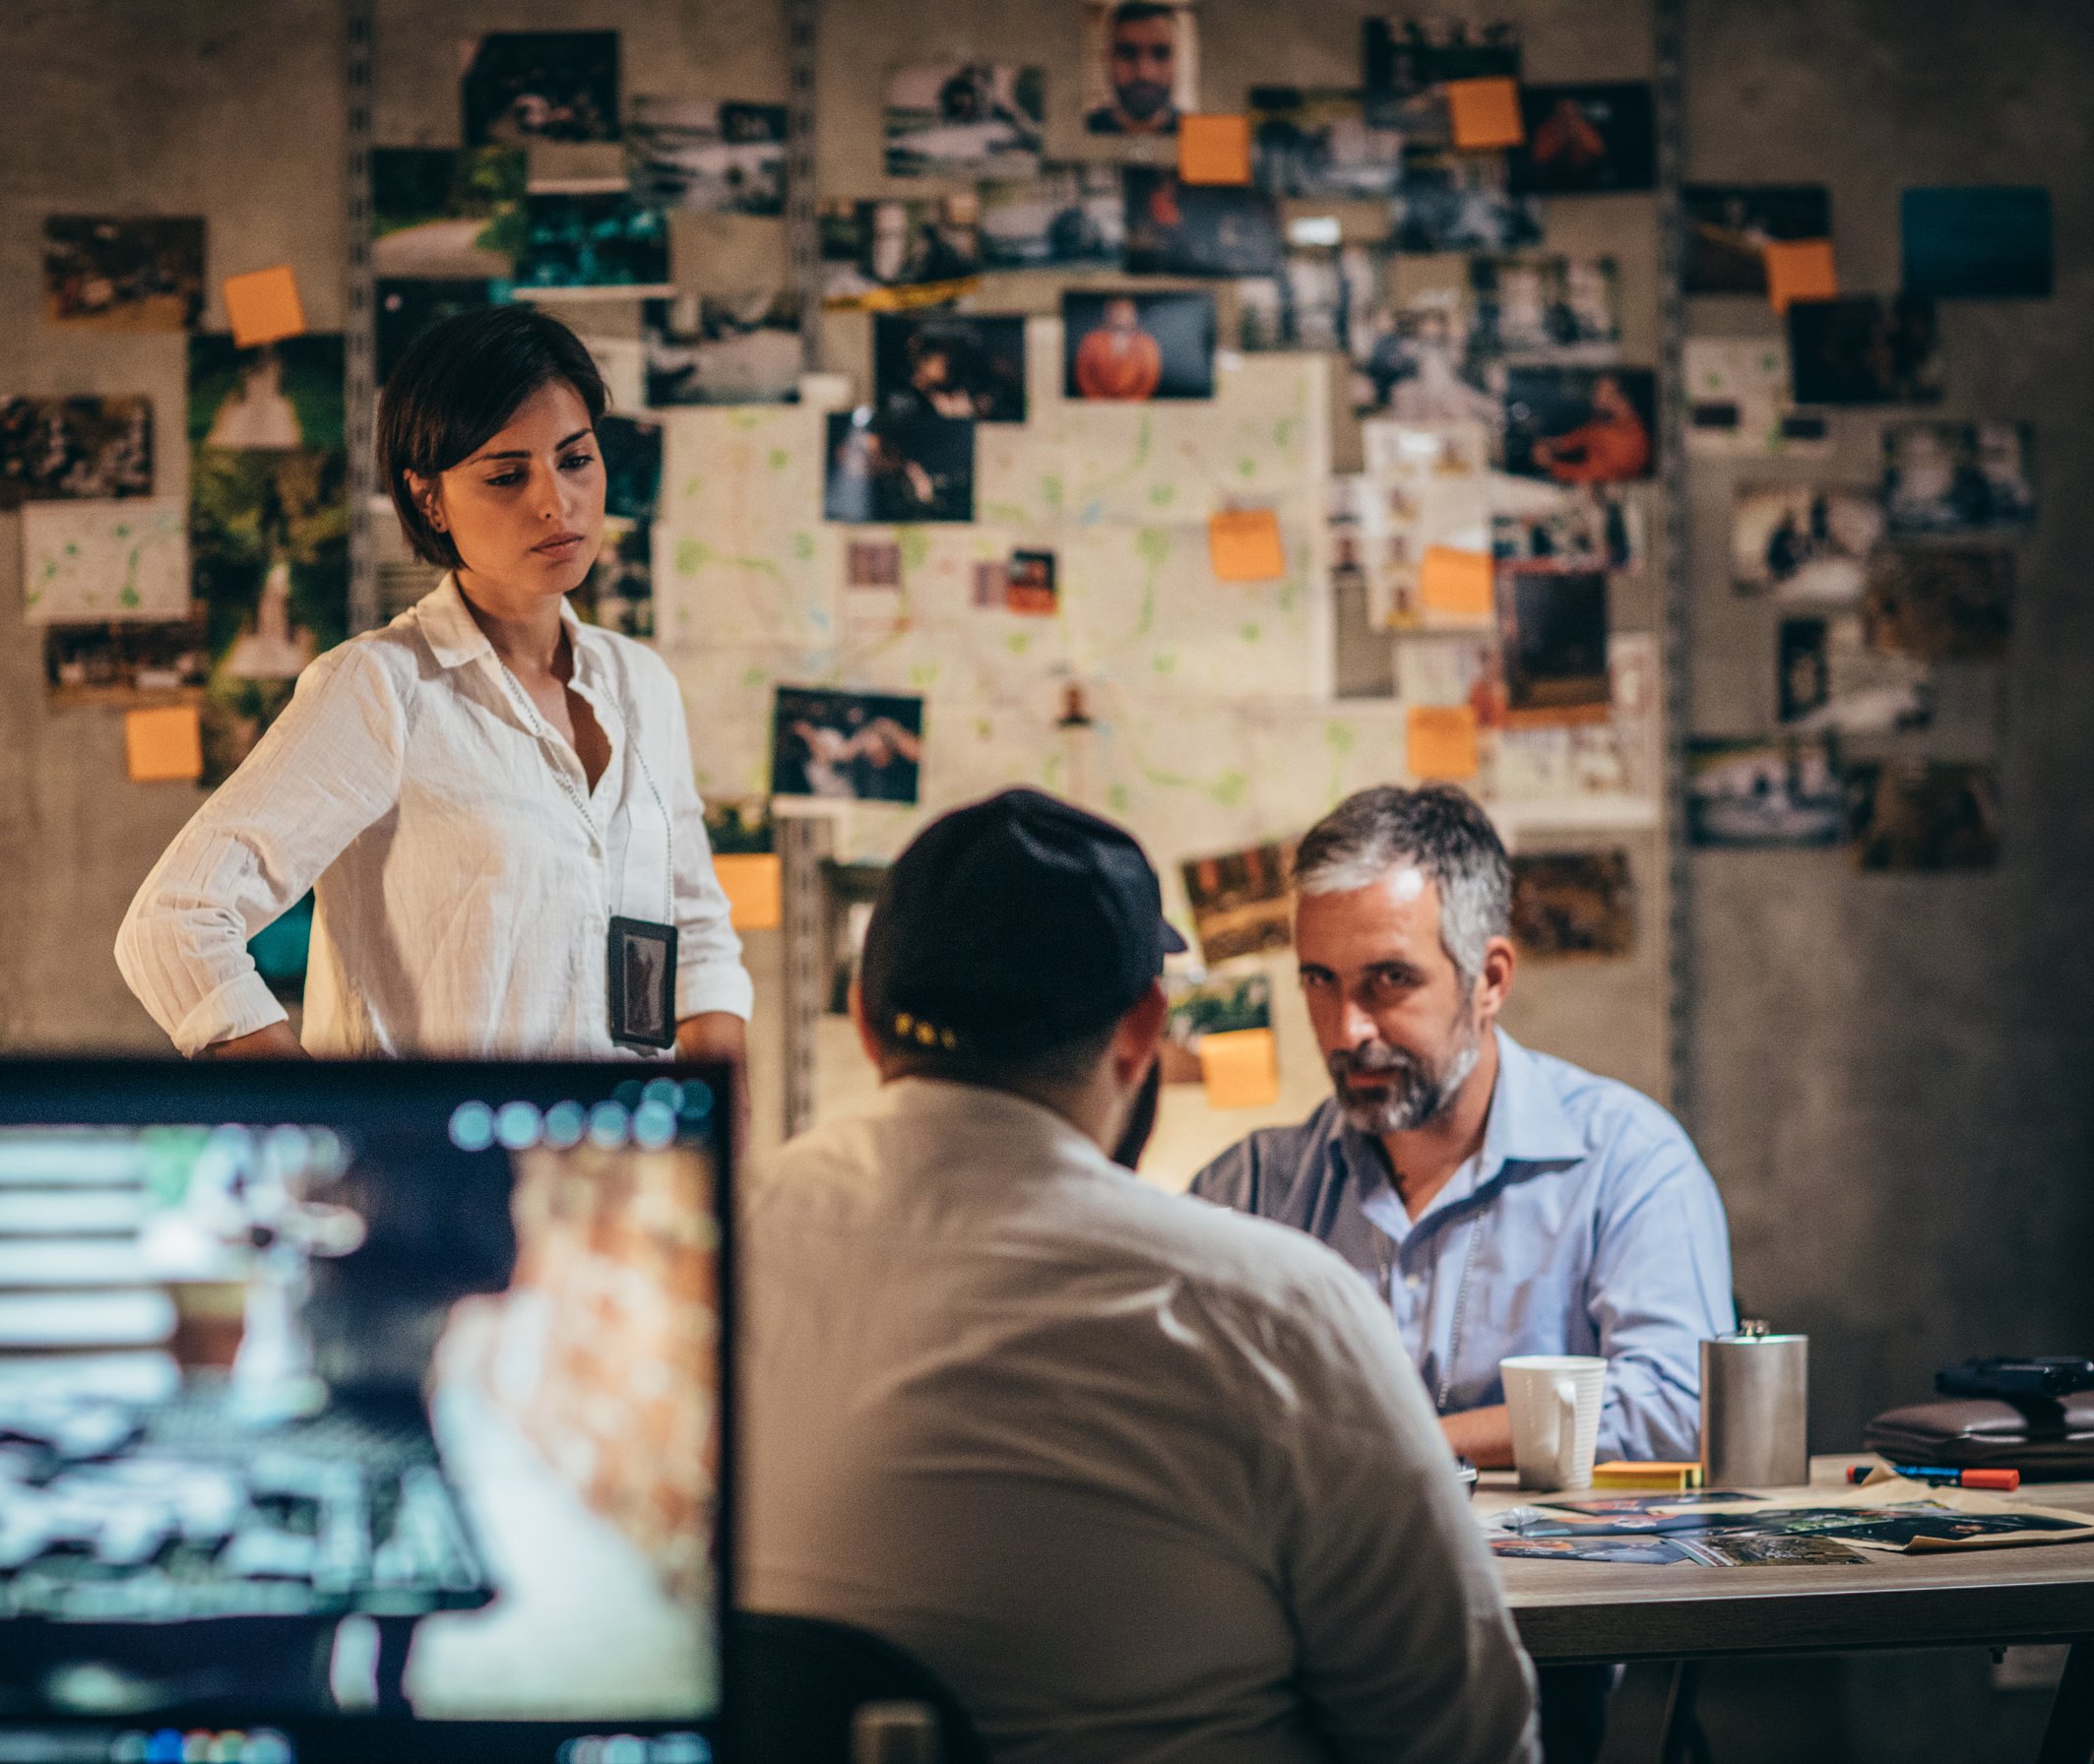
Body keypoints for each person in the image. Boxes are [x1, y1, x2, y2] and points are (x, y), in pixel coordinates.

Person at [746, 788, 1540, 1764]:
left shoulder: (692, 1255)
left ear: (866, 1023)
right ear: (1141, 1030)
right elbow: (1468, 1741)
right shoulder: (1277, 1312)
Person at [116, 305, 751, 1088]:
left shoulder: (640, 685)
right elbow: (175, 923)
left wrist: (721, 1150)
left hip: (621, 1175)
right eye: (507, 475)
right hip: (449, 1181)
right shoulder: (382, 689)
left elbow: (702, 940)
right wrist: (327, 1115)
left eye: (576, 459)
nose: (557, 502)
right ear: (429, 499)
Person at [1192, 786, 1733, 1469]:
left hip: (1565, 1579)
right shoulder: (1246, 1190)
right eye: (1320, 980)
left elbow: (1676, 1405)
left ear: (1491, 979)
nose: (1347, 1028)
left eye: (1390, 979)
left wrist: (1395, 1446)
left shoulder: (1628, 1161)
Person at [1530, 373, 1651, 483]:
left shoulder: (1631, 443)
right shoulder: (1606, 419)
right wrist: (1551, 444)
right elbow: (1580, 437)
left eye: (1599, 391)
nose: (1593, 396)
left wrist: (1550, 464)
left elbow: (1591, 477)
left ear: (1620, 400)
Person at [1085, 1, 1182, 136]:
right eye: (1128, 53)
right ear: (1107, 59)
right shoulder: (1080, 132)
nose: (1145, 73)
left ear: (1176, 60)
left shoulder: (1200, 136)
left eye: (1160, 54)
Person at [1072, 295, 1162, 401]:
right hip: (1097, 405)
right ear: (1107, 314)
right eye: (1115, 310)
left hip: (1134, 405)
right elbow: (1083, 374)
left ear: (1133, 314)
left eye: (1125, 311)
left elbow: (1150, 378)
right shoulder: (1091, 340)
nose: (1120, 315)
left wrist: (1132, 402)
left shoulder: (1147, 343)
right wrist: (1097, 401)